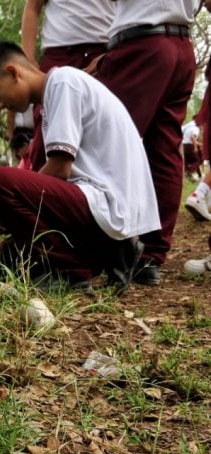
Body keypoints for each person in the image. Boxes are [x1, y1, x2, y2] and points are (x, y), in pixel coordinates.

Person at [0, 41, 158, 294]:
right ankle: (110, 253)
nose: (0, 105)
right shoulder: (55, 92)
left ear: (13, 72)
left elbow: (60, 169)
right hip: (99, 209)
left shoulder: (63, 82)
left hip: (106, 205)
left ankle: (70, 272)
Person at [95, 1, 199, 286]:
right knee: (164, 151)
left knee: (105, 144)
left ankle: (97, 247)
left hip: (142, 43)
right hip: (181, 46)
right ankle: (151, 256)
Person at [20, 0, 116, 171]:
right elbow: (33, 7)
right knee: (46, 135)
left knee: (103, 135)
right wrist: (28, 61)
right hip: (59, 54)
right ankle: (39, 187)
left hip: (104, 53)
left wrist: (114, 53)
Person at [182, 116, 203, 181]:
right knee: (197, 160)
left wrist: (200, 144)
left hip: (184, 145)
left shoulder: (190, 128)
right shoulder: (196, 129)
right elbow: (192, 137)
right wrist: (195, 147)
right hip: (189, 146)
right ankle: (189, 171)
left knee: (187, 161)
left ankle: (187, 172)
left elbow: (192, 139)